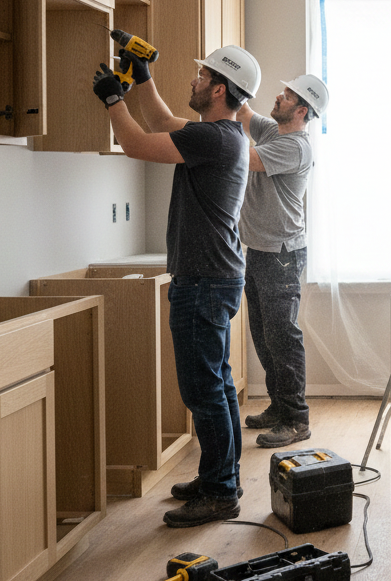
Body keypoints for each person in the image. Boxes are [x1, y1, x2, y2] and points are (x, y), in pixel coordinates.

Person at [92, 42, 260, 527]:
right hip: (215, 276)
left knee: (203, 390)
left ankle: (220, 492)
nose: (194, 80)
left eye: (202, 75)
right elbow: (163, 122)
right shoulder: (223, 135)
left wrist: (113, 99)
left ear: (219, 89)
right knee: (217, 385)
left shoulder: (214, 138)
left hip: (204, 280)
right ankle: (221, 478)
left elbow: (137, 144)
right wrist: (142, 77)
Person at [234, 74, 329, 448]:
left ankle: (296, 420)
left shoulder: (296, 147)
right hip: (260, 250)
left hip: (282, 255)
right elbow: (244, 114)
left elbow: (245, 158)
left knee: (282, 337)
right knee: (264, 335)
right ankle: (278, 407)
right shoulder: (274, 131)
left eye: (287, 95)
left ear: (302, 111)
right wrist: (233, 82)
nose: (279, 95)